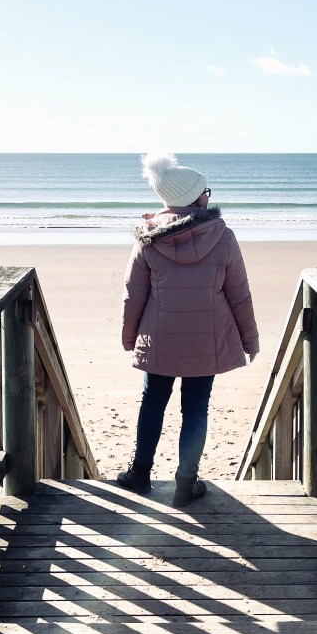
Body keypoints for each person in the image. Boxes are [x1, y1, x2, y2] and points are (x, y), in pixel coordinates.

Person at [119, 152, 259, 507]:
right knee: (195, 409)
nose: (209, 196)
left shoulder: (148, 237)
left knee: (153, 402)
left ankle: (140, 472)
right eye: (206, 191)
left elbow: (133, 294)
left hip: (160, 339)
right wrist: (249, 339)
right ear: (197, 197)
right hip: (206, 341)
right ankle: (185, 482)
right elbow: (239, 293)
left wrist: (129, 337)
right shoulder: (223, 236)